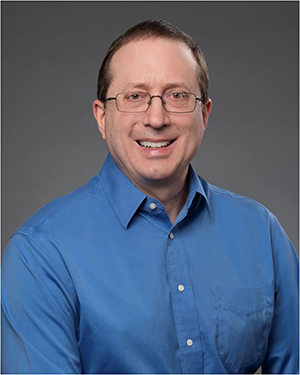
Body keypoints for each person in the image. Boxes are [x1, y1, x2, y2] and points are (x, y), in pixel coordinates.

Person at [1, 19, 298, 374]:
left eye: (177, 96)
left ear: (204, 114)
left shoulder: (261, 233)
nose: (156, 118)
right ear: (102, 117)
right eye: (134, 97)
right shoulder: (40, 254)